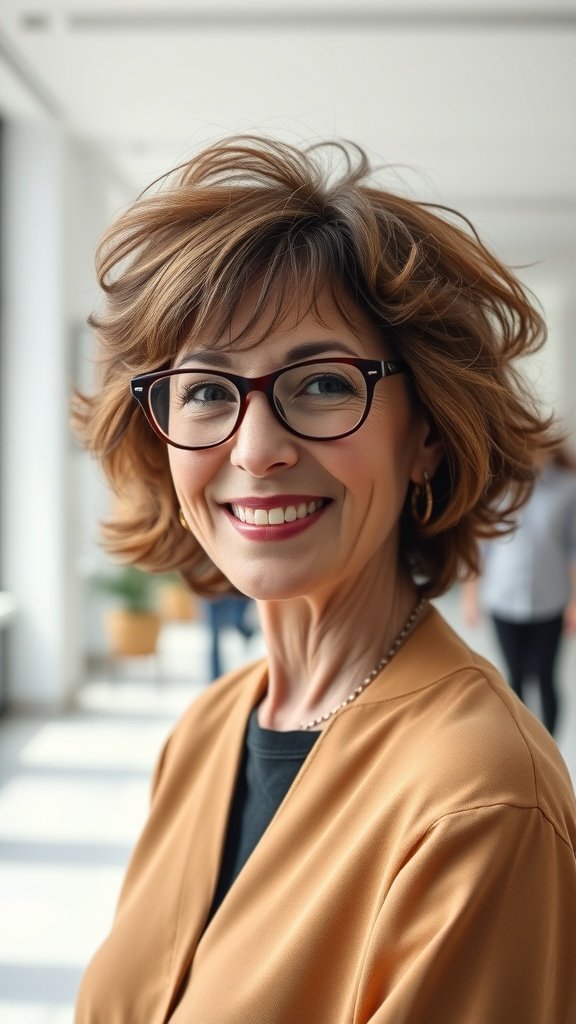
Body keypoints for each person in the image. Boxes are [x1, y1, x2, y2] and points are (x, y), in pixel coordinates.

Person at [73, 136, 576, 1023]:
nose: (257, 449)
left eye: (320, 384)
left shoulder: (478, 803)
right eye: (206, 391)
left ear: (426, 430)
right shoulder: (208, 730)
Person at [463, 447, 576, 736]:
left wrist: (574, 602)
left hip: (550, 601)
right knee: (514, 677)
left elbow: (573, 551)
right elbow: (480, 549)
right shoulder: (496, 490)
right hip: (503, 600)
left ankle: (550, 747)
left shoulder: (567, 489)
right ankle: (526, 744)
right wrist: (470, 597)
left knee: (546, 678)